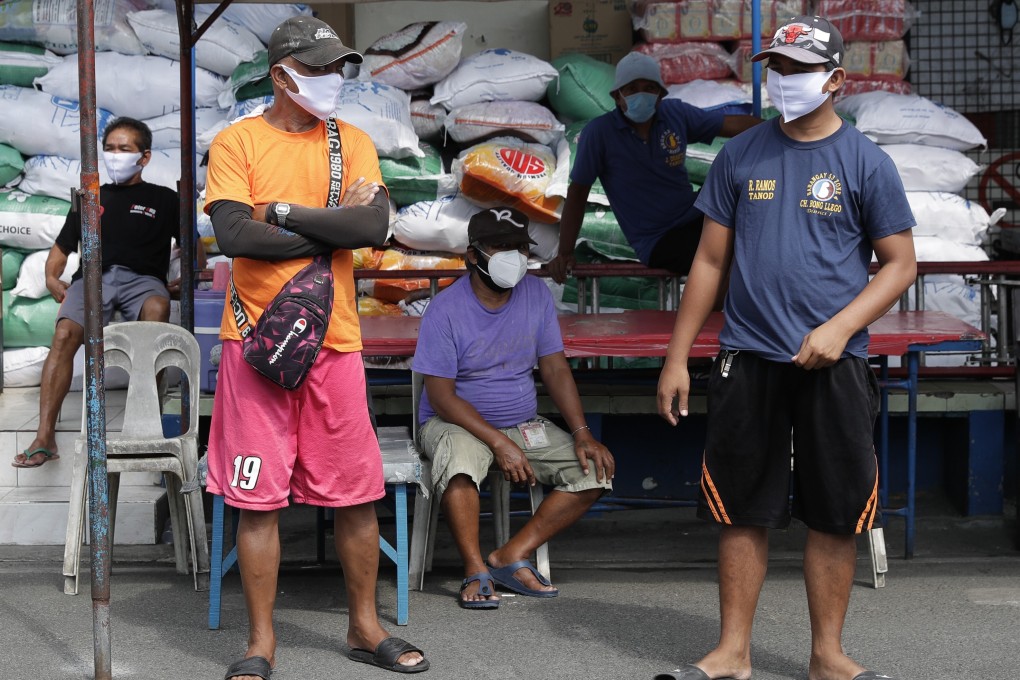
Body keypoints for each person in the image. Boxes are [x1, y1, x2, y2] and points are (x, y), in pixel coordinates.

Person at [654, 15, 916, 680]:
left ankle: (827, 656)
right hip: (749, 356)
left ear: (835, 80)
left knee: (834, 511)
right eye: (777, 66)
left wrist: (838, 329)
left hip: (836, 364)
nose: (783, 80)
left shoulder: (865, 161)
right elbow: (710, 263)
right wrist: (678, 357)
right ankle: (732, 653)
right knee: (743, 507)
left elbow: (899, 264)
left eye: (798, 69)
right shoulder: (743, 155)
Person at [203, 16, 427, 679]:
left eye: (338, 69)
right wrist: (328, 230)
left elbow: (373, 224)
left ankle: (364, 627)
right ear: (281, 74)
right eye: (320, 68)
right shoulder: (235, 142)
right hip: (254, 345)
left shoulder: (350, 141)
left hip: (334, 344)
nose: (334, 80)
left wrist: (280, 213)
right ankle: (260, 642)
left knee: (356, 494)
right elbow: (235, 236)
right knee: (256, 500)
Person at [413, 206, 615, 609]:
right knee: (459, 466)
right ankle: (475, 570)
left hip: (522, 423)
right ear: (473, 256)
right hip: (453, 423)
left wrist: (582, 433)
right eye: (502, 247)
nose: (515, 257)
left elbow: (555, 368)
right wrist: (498, 443)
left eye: (521, 247)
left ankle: (509, 555)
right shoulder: (445, 309)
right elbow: (441, 397)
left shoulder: (536, 294)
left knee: (594, 471)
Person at [12, 117, 183, 468]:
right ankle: (45, 437)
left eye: (125, 149)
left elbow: (190, 247)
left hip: (143, 279)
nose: (115, 156)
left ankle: (147, 425)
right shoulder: (90, 198)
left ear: (145, 157)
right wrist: (50, 278)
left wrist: (188, 277)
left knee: (156, 312)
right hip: (92, 278)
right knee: (63, 335)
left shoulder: (164, 199)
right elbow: (61, 249)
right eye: (110, 149)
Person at [546, 52, 761, 283]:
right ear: (617, 96)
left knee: (756, 214)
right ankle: (720, 311)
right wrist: (565, 253)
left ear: (660, 95)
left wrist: (777, 131)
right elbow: (578, 194)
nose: (641, 94)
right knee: (729, 257)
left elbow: (730, 125)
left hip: (697, 213)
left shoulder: (674, 114)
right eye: (631, 88)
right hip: (659, 239)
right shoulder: (599, 134)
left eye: (649, 88)